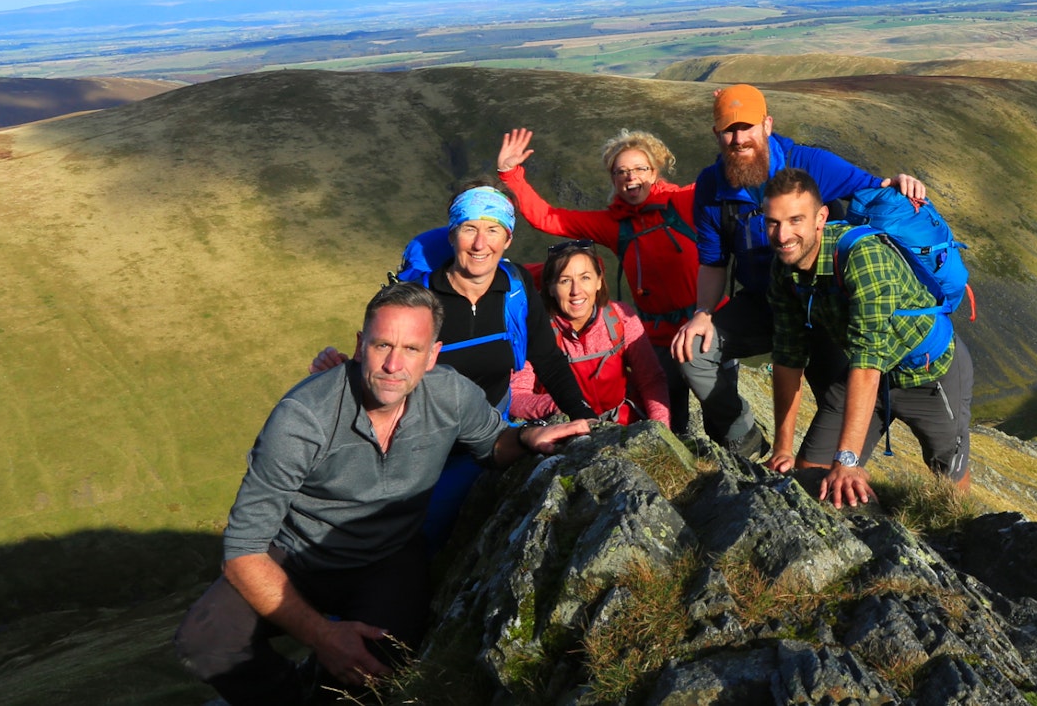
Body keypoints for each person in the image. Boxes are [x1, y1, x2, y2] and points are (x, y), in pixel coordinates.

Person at [174, 282, 590, 705]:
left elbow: (493, 443)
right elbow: (243, 550)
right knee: (203, 640)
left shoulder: (451, 394)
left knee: (376, 671)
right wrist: (323, 635)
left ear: (432, 356)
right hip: (296, 555)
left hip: (388, 556)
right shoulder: (303, 418)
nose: (394, 364)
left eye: (411, 349)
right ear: (359, 346)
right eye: (382, 345)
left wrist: (529, 437)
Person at [310, 182, 596, 547]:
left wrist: (583, 417)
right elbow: (382, 366)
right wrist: (341, 371)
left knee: (436, 535)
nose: (480, 244)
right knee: (403, 535)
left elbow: (548, 359)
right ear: (452, 235)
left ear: (507, 239)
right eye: (469, 229)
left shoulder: (516, 287)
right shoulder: (416, 298)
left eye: (493, 230)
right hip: (416, 444)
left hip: (487, 435)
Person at [670, 84, 927, 457]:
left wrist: (900, 183)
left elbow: (873, 191)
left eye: (748, 127)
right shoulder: (711, 186)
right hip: (762, 305)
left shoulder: (810, 164)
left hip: (823, 308)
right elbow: (713, 260)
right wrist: (702, 313)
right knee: (694, 352)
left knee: (838, 398)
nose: (739, 139)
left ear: (767, 125)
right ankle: (745, 442)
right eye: (729, 129)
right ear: (716, 134)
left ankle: (839, 473)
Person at [760, 168, 973, 508]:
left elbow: (867, 360)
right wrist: (782, 448)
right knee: (809, 472)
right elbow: (788, 356)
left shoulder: (863, 259)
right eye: (772, 222)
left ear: (821, 218)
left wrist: (847, 461)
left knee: (948, 474)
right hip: (869, 377)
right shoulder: (783, 268)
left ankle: (960, 531)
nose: (783, 235)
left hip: (930, 373)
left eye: (795, 220)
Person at [497, 128, 700, 434]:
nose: (631, 177)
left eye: (640, 169)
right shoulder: (614, 224)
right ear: (613, 180)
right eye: (621, 171)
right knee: (674, 410)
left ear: (655, 171)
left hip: (701, 324)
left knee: (715, 396)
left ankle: (746, 447)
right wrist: (510, 174)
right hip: (657, 335)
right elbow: (549, 218)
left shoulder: (683, 201)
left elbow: (725, 183)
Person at [510, 240, 670, 426]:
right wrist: (564, 405)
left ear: (599, 282)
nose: (576, 291)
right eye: (565, 281)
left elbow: (651, 380)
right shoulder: (535, 330)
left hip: (623, 425)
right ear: (551, 289)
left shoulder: (621, 319)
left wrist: (661, 430)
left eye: (585, 278)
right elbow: (516, 396)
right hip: (567, 429)